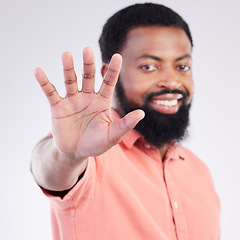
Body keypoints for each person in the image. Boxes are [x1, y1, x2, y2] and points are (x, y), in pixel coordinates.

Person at [31, 3, 221, 240]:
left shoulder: (200, 173)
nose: (172, 82)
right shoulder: (90, 156)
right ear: (107, 73)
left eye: (182, 66)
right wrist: (66, 155)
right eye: (148, 66)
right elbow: (49, 171)